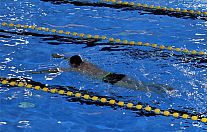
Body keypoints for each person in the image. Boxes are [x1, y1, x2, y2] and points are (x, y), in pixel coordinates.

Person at [29, 54, 173, 95]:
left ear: (72, 65)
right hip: (113, 74)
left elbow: (55, 71)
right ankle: (163, 86)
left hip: (107, 79)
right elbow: (74, 59)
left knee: (139, 89)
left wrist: (38, 72)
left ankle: (158, 92)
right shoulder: (85, 63)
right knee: (140, 83)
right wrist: (61, 57)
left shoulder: (77, 69)